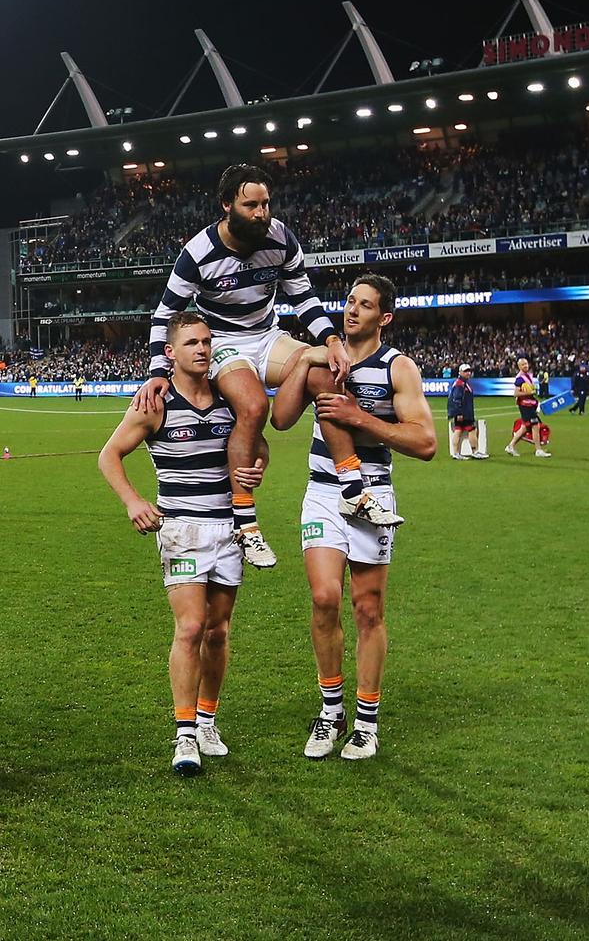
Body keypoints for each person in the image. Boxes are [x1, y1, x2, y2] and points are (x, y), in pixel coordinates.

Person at [133, 164, 400, 568]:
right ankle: (246, 522)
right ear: (227, 206)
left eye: (266, 204)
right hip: (223, 341)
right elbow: (164, 313)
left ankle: (352, 490)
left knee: (325, 375)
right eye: (251, 204)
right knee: (254, 406)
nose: (262, 213)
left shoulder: (281, 238)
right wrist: (157, 371)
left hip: (267, 335)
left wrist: (330, 341)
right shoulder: (197, 253)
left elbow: (304, 299)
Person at [271, 274, 437, 761]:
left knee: (367, 611)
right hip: (324, 492)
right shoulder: (324, 356)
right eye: (349, 301)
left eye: (365, 305)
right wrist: (303, 359)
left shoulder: (397, 368)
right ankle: (331, 710)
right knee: (325, 598)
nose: (352, 310)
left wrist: (359, 417)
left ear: (384, 317)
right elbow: (281, 419)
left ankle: (366, 723)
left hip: (374, 494)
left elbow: (425, 443)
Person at [99, 313, 267, 776]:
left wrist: (257, 467)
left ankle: (208, 720)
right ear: (170, 352)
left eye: (207, 341)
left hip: (229, 528)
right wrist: (133, 501)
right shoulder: (155, 402)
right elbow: (109, 455)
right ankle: (185, 733)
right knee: (191, 627)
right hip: (182, 529)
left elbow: (259, 444)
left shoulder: (229, 399)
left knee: (218, 631)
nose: (202, 348)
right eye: (191, 342)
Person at [505, 357, 552, 458]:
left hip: (530, 404)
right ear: (519, 366)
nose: (525, 366)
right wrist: (529, 392)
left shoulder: (528, 376)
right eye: (523, 365)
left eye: (526, 364)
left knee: (525, 427)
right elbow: (516, 393)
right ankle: (538, 450)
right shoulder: (520, 378)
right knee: (535, 425)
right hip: (525, 405)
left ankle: (510, 446)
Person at [447, 363, 489, 460]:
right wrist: (459, 413)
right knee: (471, 430)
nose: (468, 373)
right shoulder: (460, 384)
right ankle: (474, 451)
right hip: (464, 413)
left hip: (464, 412)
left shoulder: (462, 383)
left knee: (459, 430)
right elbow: (457, 399)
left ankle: (456, 453)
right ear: (460, 372)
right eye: (466, 371)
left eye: (469, 371)